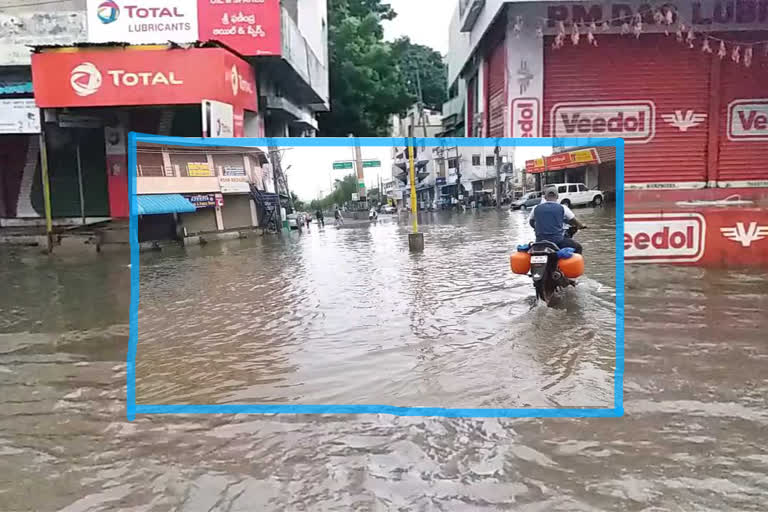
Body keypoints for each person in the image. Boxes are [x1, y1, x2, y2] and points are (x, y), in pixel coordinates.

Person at [528, 188, 587, 254]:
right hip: (558, 241)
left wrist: (537, 228)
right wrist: (581, 226)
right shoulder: (563, 207)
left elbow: (531, 222)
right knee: (578, 247)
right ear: (557, 196)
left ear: (545, 197)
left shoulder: (536, 208)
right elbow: (574, 221)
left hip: (539, 241)